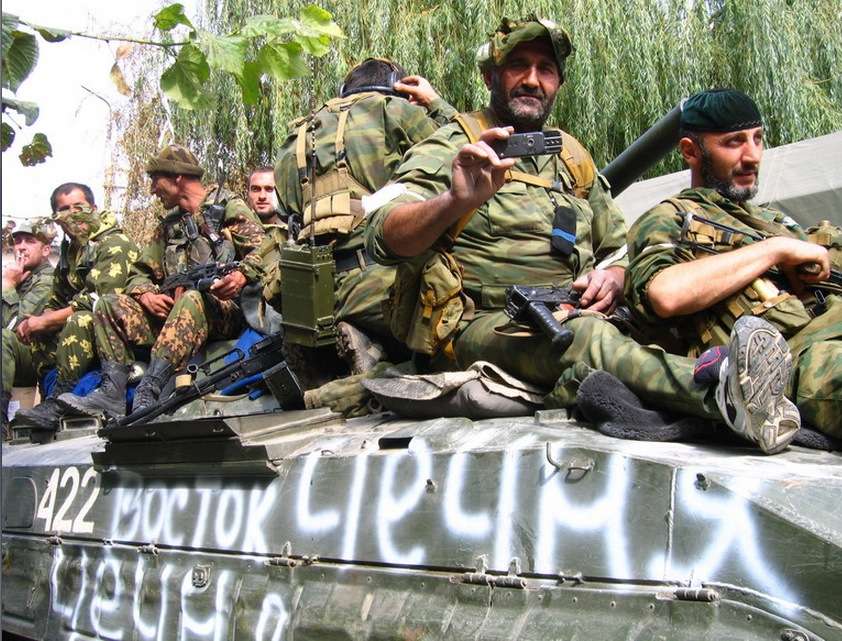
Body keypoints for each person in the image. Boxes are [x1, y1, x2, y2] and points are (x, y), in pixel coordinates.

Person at [364, 17, 796, 453]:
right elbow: (381, 233)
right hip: (476, 326)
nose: (533, 80)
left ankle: (774, 385)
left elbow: (618, 248)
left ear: (558, 82)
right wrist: (454, 202)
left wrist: (616, 276)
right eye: (519, 65)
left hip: (571, 310)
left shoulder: (570, 157)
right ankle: (720, 391)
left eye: (546, 69)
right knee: (586, 340)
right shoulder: (454, 145)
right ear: (491, 76)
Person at [626, 88, 841, 444]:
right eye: (734, 142)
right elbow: (666, 292)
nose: (752, 155)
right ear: (690, 152)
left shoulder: (774, 222)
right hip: (788, 361)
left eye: (758, 139)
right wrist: (773, 252)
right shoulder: (669, 217)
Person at [271, 57, 456, 375]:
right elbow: (468, 151)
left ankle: (364, 350)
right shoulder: (394, 111)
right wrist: (435, 103)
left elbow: (287, 212)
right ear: (397, 87)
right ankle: (376, 366)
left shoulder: (297, 136)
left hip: (309, 299)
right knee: (468, 329)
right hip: (382, 286)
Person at [58, 144, 265, 419]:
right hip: (174, 315)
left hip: (224, 312)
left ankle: (151, 389)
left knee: (194, 297)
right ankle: (111, 392)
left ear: (177, 176)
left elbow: (264, 250)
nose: (153, 189)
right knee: (108, 305)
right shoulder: (169, 225)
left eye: (156, 180)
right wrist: (146, 295)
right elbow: (138, 273)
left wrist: (241, 275)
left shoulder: (227, 206)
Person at [13, 183, 139, 431]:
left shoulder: (114, 243)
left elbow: (98, 299)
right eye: (64, 210)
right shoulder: (71, 252)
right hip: (89, 327)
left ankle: (61, 399)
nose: (72, 215)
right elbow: (57, 299)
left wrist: (47, 320)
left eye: (78, 207)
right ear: (56, 218)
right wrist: (38, 321)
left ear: (93, 208)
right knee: (38, 331)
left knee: (78, 320)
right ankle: (51, 395)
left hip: (118, 327)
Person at [1, 219, 56, 437]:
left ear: (45, 249)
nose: (21, 246)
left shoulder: (47, 280)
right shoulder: (19, 276)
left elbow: (14, 326)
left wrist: (7, 286)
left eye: (30, 241)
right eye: (17, 241)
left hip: (39, 354)